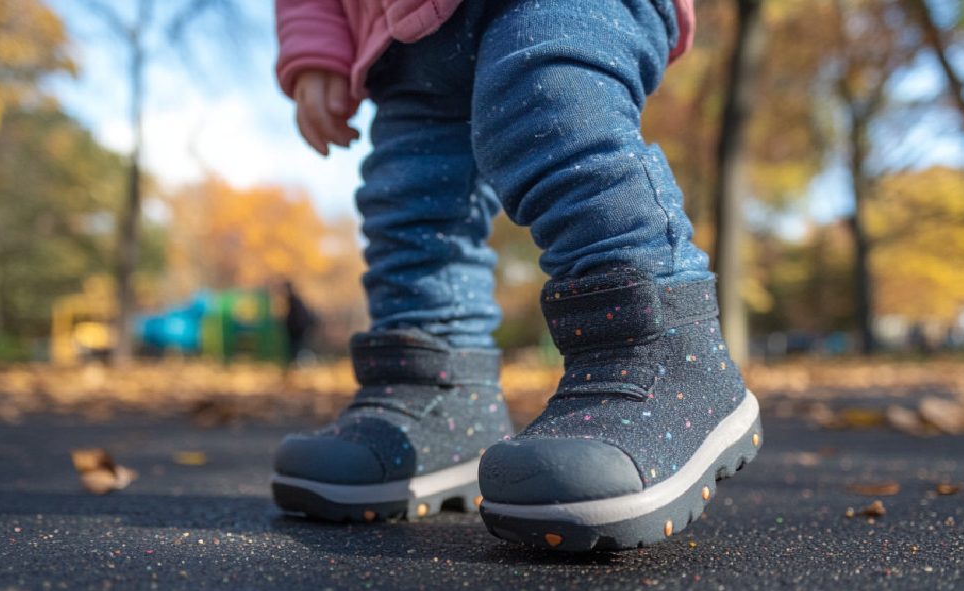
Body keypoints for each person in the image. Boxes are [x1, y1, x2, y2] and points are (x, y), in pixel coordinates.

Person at [270, 0, 763, 552]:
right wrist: (314, 46)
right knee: (408, 201)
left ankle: (663, 352)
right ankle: (433, 392)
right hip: (395, 35)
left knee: (549, 104)